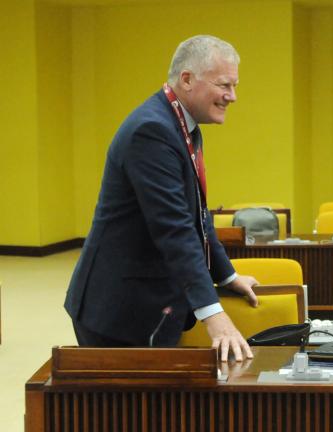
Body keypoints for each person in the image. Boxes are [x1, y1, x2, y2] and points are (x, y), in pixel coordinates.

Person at [64, 35, 259, 361]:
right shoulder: (151, 131)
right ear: (187, 80)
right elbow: (174, 229)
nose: (232, 96)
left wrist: (226, 275)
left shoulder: (182, 125)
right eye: (224, 84)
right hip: (120, 311)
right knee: (132, 413)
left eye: (235, 85)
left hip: (150, 301)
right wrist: (213, 315)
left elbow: (197, 215)